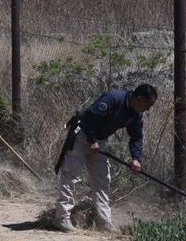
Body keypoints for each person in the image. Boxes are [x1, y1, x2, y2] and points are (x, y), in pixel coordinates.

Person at [52, 84, 157, 233]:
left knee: (102, 180)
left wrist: (136, 158)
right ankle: (61, 218)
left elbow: (136, 137)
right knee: (70, 175)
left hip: (98, 142)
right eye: (148, 105)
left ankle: (103, 221)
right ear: (139, 99)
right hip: (81, 135)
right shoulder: (114, 98)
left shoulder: (135, 114)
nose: (148, 109)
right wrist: (92, 139)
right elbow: (88, 117)